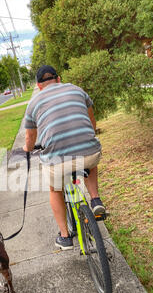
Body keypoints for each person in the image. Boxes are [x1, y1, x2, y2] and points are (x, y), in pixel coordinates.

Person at [23, 65, 106, 251]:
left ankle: (65, 236)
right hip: (88, 151)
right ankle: (95, 200)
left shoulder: (34, 103)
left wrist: (27, 149)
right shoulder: (77, 89)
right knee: (90, 158)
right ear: (58, 78)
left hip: (57, 159)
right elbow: (92, 122)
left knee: (55, 189)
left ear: (38, 85)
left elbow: (30, 139)